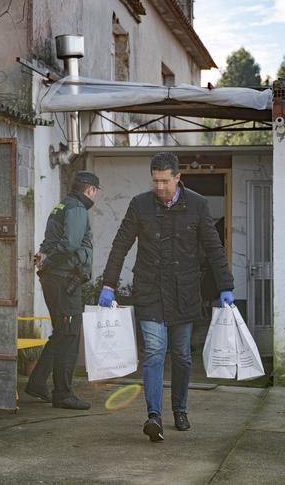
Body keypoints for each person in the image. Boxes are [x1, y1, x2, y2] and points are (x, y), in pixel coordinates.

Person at [97, 152, 234, 441]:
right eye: (155, 181)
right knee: (155, 352)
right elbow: (121, 244)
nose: (159, 187)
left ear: (177, 177)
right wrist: (109, 284)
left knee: (182, 356)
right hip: (149, 290)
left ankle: (180, 410)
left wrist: (225, 285)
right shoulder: (140, 205)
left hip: (185, 292)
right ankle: (154, 416)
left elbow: (213, 247)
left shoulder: (197, 204)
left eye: (165, 181)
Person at [25, 170, 100, 410]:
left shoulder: (61, 206)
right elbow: (70, 244)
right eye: (95, 192)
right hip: (64, 279)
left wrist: (46, 258)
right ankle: (63, 393)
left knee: (61, 332)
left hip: (56, 278)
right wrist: (49, 260)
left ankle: (37, 383)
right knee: (69, 334)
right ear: (90, 190)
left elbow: (52, 240)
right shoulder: (77, 208)